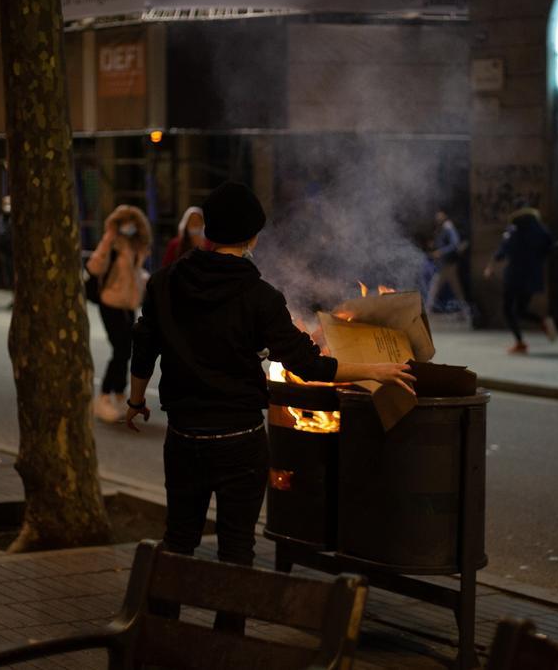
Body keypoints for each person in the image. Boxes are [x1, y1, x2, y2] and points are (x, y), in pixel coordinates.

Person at [124, 182, 415, 632]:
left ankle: (159, 639)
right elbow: (306, 363)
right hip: (240, 442)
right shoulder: (260, 296)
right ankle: (228, 651)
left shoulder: (164, 284)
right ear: (251, 238)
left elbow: (144, 348)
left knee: (177, 543)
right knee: (236, 551)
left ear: (206, 233)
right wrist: (372, 370)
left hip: (184, 439)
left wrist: (136, 400)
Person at [88, 204, 151, 424]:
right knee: (121, 348)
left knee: (127, 351)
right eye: (124, 222)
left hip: (128, 305)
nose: (129, 227)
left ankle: (119, 394)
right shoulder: (112, 244)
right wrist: (107, 239)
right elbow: (94, 267)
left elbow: (135, 273)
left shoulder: (137, 246)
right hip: (110, 303)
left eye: (132, 222)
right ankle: (104, 396)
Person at [483, 205, 558, 354]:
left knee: (509, 309)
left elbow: (503, 251)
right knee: (521, 309)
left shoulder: (514, 230)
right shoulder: (541, 230)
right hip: (533, 277)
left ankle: (520, 342)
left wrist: (490, 266)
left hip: (514, 276)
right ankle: (542, 321)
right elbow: (550, 247)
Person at [426, 209, 469, 319]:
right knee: (456, 289)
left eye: (440, 215)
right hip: (446, 265)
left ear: (445, 215)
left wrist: (441, 252)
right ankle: (466, 312)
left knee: (434, 287)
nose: (437, 217)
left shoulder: (448, 227)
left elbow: (455, 244)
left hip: (448, 265)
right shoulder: (442, 229)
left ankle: (427, 310)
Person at [0, 195, 14, 288]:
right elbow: (1, 233)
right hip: (4, 250)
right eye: (5, 204)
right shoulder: (1, 218)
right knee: (7, 271)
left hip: (12, 250)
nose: (7, 206)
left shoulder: (13, 218)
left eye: (9, 204)